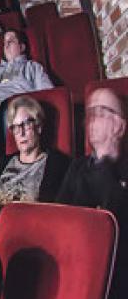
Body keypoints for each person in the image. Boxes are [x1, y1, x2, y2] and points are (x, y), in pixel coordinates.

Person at [0, 96, 69, 238]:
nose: (21, 133)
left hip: (28, 239)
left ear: (39, 127)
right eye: (15, 127)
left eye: (26, 124)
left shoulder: (57, 165)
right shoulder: (3, 163)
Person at [56, 87, 128, 222]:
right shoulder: (77, 166)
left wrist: (105, 160)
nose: (92, 119)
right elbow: (58, 213)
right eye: (90, 113)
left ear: (119, 125)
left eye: (100, 112)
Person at [0, 29, 54, 106]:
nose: (6, 46)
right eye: (4, 43)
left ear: (22, 47)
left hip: (19, 104)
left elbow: (48, 93)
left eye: (10, 42)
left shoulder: (33, 66)